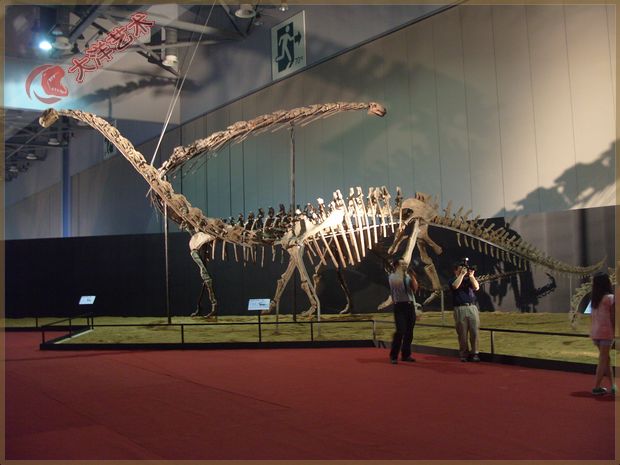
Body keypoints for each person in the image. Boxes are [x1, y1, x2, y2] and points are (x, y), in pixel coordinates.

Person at [388, 258, 419, 364]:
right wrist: (404, 275)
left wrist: (413, 276)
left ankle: (406, 355)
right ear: (396, 266)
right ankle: (394, 355)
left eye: (405, 264)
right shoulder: (392, 277)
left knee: (409, 332)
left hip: (410, 305)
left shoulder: (408, 276)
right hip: (399, 306)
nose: (404, 266)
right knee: (400, 330)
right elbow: (398, 285)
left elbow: (415, 289)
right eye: (402, 264)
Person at [590, 273, 616, 396]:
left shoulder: (594, 299)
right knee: (603, 360)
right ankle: (596, 387)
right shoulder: (610, 298)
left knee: (606, 359)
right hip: (606, 332)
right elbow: (613, 317)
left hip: (595, 332)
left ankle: (613, 385)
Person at [451, 259, 480, 362]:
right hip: (460, 308)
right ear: (455, 270)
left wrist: (471, 276)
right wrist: (462, 275)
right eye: (460, 269)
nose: (463, 271)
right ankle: (464, 354)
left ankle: (475, 353)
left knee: (474, 332)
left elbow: (476, 287)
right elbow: (455, 286)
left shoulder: (469, 280)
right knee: (462, 333)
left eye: (464, 269)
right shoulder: (453, 280)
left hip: (472, 307)